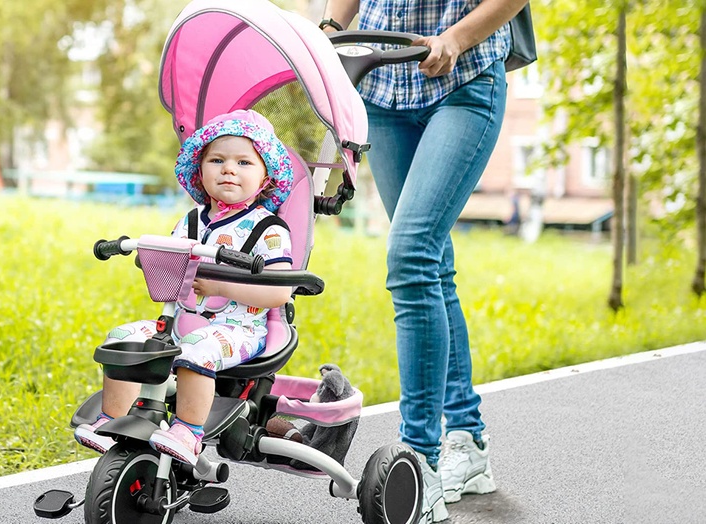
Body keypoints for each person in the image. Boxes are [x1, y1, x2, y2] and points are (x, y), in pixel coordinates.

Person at [320, 0, 526, 520]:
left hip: (462, 76)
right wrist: (329, 30)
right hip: (382, 87)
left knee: (411, 255)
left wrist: (457, 36)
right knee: (431, 264)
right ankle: (469, 442)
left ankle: (420, 463)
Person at [74, 110, 294, 465]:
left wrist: (221, 283)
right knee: (123, 337)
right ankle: (111, 419)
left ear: (266, 177)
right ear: (200, 169)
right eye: (217, 160)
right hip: (182, 321)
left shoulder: (268, 229)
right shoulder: (190, 221)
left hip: (239, 328)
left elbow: (279, 292)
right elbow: (169, 260)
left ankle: (188, 431)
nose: (229, 169)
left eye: (244, 162)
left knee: (195, 351)